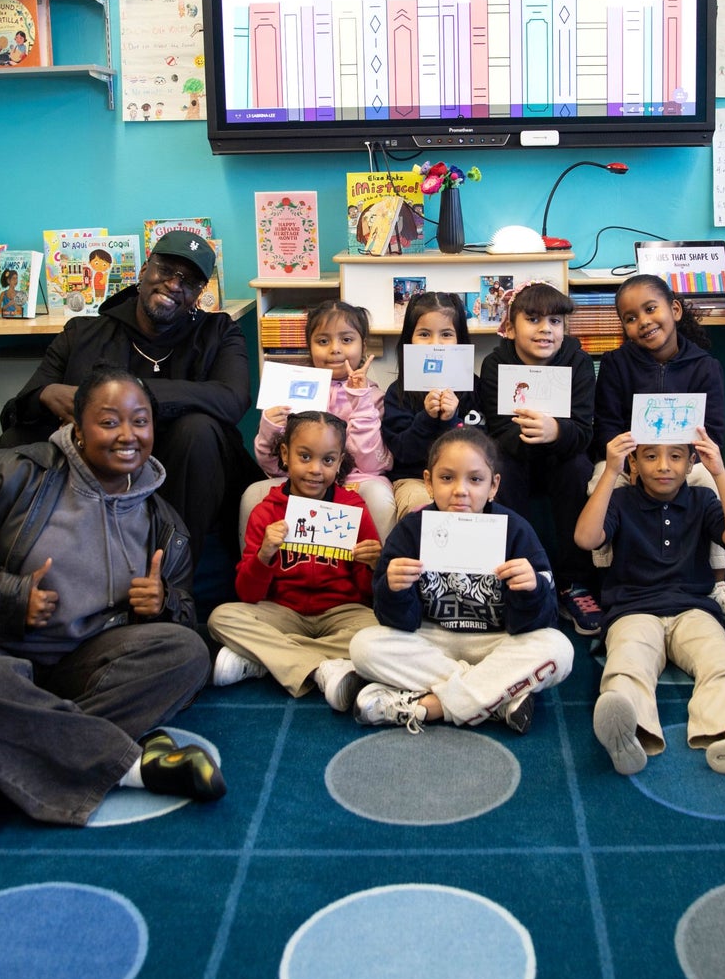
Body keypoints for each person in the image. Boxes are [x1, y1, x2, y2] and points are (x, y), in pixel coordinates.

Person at [0, 367, 223, 836]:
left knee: (186, 653)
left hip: (86, 662)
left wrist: (163, 603)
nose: (127, 435)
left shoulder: (163, 519)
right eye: (108, 422)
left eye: (140, 421)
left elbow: (184, 611)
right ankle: (134, 767)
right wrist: (7, 594)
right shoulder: (16, 471)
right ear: (77, 427)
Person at [0, 230, 252, 563]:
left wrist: (133, 395)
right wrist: (47, 394)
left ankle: (172, 573)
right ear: (145, 269)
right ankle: (23, 564)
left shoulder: (218, 332)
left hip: (182, 465)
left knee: (199, 430)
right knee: (16, 441)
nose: (174, 285)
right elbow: (17, 410)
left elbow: (233, 398)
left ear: (198, 294)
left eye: (189, 281)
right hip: (96, 464)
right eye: (166, 270)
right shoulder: (83, 333)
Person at [575, 427, 725, 779]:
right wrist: (610, 471)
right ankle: (630, 733)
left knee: (721, 663)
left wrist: (719, 473)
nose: (663, 466)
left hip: (693, 610)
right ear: (634, 464)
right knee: (627, 664)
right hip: (633, 610)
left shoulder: (702, 498)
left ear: (690, 463)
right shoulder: (621, 500)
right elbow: (586, 538)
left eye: (675, 456)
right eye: (650, 456)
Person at [349, 427, 573, 733]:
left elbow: (539, 622)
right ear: (428, 483)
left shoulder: (516, 531)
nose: (460, 490)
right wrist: (394, 589)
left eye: (475, 480)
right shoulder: (411, 531)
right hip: (432, 640)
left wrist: (531, 590)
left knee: (558, 649)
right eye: (446, 478)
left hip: (497, 641)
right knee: (364, 647)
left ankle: (431, 707)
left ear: (494, 486)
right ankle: (495, 697)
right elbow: (398, 622)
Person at [592, 274, 725, 632]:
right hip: (632, 460)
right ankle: (608, 581)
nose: (643, 322)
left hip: (685, 461)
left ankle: (717, 583)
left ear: (674, 310)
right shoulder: (615, 364)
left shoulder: (705, 366)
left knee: (713, 483)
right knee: (600, 484)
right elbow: (607, 425)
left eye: (650, 309)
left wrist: (689, 462)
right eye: (631, 318)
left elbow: (712, 432)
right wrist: (630, 463)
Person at [208, 410, 381, 709]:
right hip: (282, 613)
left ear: (340, 462)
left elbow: (369, 595)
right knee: (221, 618)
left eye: (328, 460)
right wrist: (264, 555)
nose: (315, 469)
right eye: (305, 457)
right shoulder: (266, 511)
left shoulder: (354, 509)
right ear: (285, 454)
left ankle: (266, 659)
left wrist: (374, 565)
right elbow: (247, 594)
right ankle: (321, 668)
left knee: (383, 631)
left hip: (342, 613)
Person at [479, 281, 601, 634]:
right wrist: (532, 434)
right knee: (499, 469)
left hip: (563, 458)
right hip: (515, 456)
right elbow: (499, 431)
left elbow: (584, 431)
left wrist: (556, 431)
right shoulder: (496, 364)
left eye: (555, 321)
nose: (546, 329)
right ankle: (512, 574)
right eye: (533, 319)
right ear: (511, 327)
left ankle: (574, 583)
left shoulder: (578, 362)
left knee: (578, 469)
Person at [253, 300, 395, 541]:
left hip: (353, 481)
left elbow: (371, 465)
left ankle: (377, 563)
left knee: (379, 495)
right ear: (309, 345)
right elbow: (273, 467)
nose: (335, 349)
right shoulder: (288, 389)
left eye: (346, 340)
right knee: (252, 495)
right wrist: (270, 427)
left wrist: (360, 402)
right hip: (301, 480)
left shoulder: (373, 396)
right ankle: (259, 563)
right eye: (322, 341)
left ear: (363, 345)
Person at [382, 290, 484, 520]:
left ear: (460, 339)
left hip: (465, 478)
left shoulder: (474, 388)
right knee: (420, 508)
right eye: (424, 334)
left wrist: (452, 420)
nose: (435, 344)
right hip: (414, 478)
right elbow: (402, 452)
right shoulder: (399, 392)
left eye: (446, 334)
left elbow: (483, 447)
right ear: (409, 339)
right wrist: (427, 419)